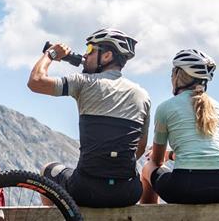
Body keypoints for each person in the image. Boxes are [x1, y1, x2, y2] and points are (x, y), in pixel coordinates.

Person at [27, 28, 151, 208]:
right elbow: (139, 147)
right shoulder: (143, 95)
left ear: (107, 56)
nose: (85, 56)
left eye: (90, 50)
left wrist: (51, 53)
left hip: (86, 189)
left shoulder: (83, 82)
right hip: (128, 191)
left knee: (48, 170)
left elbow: (35, 81)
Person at [140, 49, 219, 204]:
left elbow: (156, 161)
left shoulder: (166, 108)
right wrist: (170, 155)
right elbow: (201, 152)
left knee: (147, 168)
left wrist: (162, 156)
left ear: (177, 75)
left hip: (186, 187)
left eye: (172, 73)